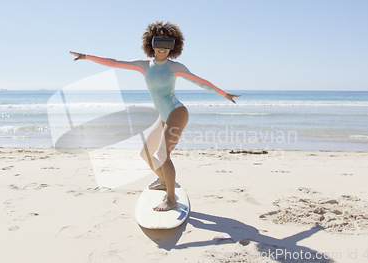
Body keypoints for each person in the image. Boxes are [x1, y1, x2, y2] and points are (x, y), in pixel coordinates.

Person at [70, 21, 240, 211]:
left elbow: (201, 82)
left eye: (168, 44)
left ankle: (171, 199)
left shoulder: (175, 67)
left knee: (162, 154)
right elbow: (115, 62)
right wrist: (86, 56)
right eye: (159, 43)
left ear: (174, 47)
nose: (163, 49)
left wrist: (224, 94)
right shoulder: (143, 66)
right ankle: (163, 181)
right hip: (163, 117)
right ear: (151, 44)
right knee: (145, 153)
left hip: (177, 113)